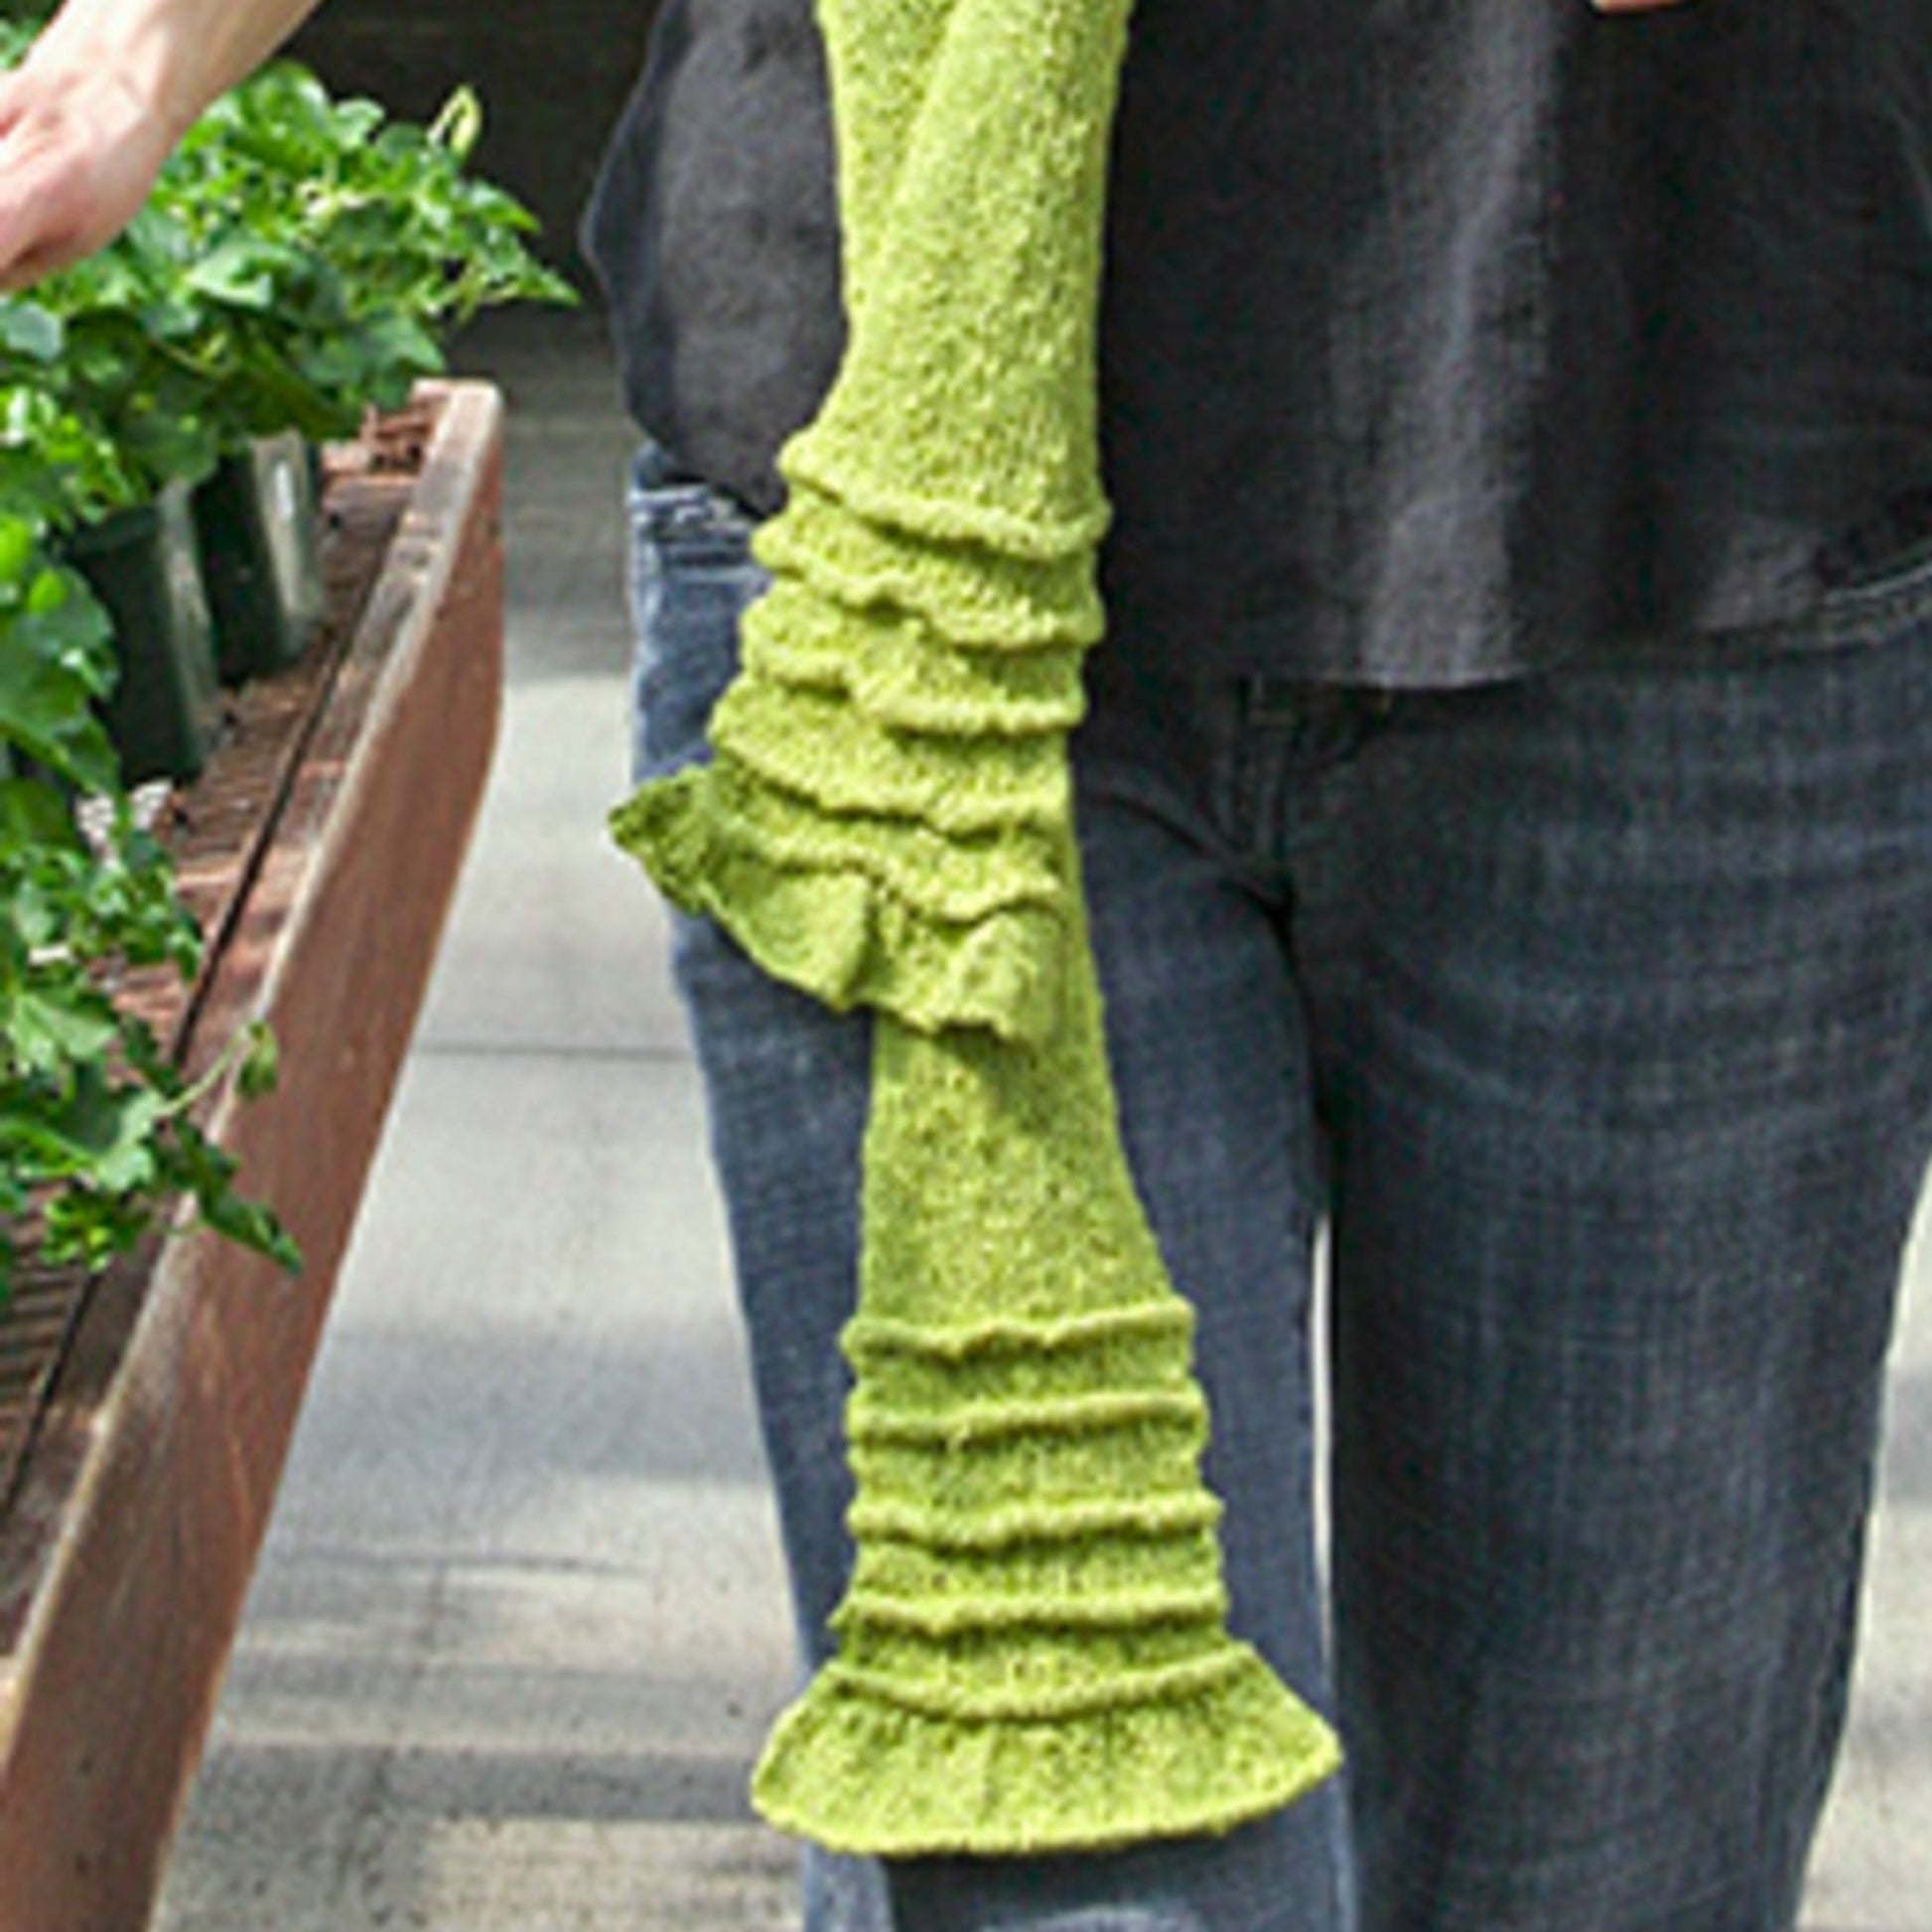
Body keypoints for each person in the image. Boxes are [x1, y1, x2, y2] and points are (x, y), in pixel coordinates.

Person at [5, 2, 1927, 1929]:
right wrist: (138, 54)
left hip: (1688, 488)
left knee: (1607, 1869)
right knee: (1064, 1861)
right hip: (898, 558)